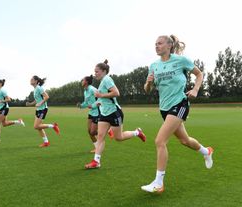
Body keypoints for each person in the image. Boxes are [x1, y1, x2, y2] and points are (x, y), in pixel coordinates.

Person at [141, 35, 214, 193]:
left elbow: (199, 74)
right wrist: (148, 82)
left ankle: (159, 183)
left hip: (180, 104)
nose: (156, 46)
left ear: (169, 45)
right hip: (164, 108)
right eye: (155, 44)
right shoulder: (153, 65)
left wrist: (195, 89)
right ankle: (206, 151)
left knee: (160, 141)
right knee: (185, 140)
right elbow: (147, 90)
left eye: (159, 43)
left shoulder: (181, 60)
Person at [85, 60, 146, 169]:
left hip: (114, 112)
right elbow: (101, 100)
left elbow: (116, 93)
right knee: (100, 136)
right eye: (94, 72)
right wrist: (95, 104)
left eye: (97, 71)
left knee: (119, 137)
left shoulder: (107, 79)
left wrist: (101, 95)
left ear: (104, 71)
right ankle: (96, 161)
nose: (95, 74)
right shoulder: (102, 82)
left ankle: (137, 132)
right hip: (104, 114)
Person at [77, 75, 114, 153]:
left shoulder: (92, 89)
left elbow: (100, 99)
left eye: (83, 80)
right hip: (91, 113)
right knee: (89, 131)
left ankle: (107, 130)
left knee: (93, 132)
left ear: (86, 82)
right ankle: (97, 147)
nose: (81, 81)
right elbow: (86, 103)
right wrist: (81, 106)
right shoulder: (85, 91)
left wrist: (93, 105)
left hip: (98, 112)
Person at [26, 76, 60, 147]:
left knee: (36, 126)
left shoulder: (39, 88)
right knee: (38, 127)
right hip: (38, 109)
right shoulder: (35, 89)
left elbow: (47, 96)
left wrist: (40, 103)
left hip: (43, 109)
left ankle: (53, 126)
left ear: (36, 81)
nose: (30, 80)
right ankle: (46, 142)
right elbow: (37, 100)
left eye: (32, 79)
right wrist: (30, 104)